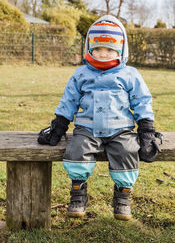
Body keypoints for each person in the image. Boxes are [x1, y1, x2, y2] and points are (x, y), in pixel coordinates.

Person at [38, 15, 161, 221]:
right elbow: (69, 99)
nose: (103, 54)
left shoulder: (129, 74)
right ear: (89, 48)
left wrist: (146, 129)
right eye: (98, 49)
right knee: (77, 149)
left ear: (120, 50)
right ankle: (78, 192)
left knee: (128, 150)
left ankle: (123, 195)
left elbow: (141, 100)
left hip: (120, 129)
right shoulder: (81, 74)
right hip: (87, 128)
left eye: (110, 49)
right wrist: (59, 125)